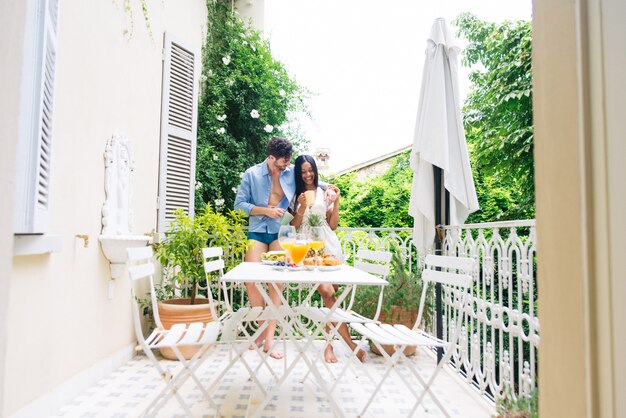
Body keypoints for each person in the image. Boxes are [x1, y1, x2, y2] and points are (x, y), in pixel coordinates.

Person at [290, 154, 366, 363]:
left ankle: (329, 345)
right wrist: (302, 206)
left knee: (329, 298)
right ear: (298, 173)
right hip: (307, 248)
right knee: (326, 291)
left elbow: (332, 225)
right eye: (303, 171)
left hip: (329, 246)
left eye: (310, 170)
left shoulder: (325, 193)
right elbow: (294, 226)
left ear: (315, 170)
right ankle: (350, 344)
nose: (307, 175)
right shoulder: (294, 195)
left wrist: (337, 200)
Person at [234, 136, 295, 359]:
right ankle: (259, 330)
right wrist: (266, 211)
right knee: (251, 280)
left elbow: (313, 181)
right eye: (282, 162)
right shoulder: (251, 174)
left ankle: (269, 339)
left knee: (275, 283)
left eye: (288, 161)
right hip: (257, 230)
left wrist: (330, 189)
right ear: (271, 158)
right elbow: (239, 205)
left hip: (280, 232)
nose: (286, 166)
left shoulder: (291, 170)